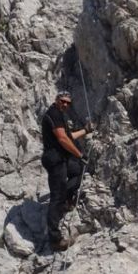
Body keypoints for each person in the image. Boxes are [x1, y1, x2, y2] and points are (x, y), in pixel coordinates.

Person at [41, 91, 92, 250]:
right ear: (57, 100)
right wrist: (80, 154)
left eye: (68, 103)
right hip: (54, 159)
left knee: (78, 171)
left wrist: (85, 130)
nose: (65, 104)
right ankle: (55, 239)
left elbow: (69, 136)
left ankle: (66, 200)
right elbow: (63, 139)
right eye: (62, 101)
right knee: (56, 197)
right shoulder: (54, 114)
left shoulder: (60, 115)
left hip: (61, 159)